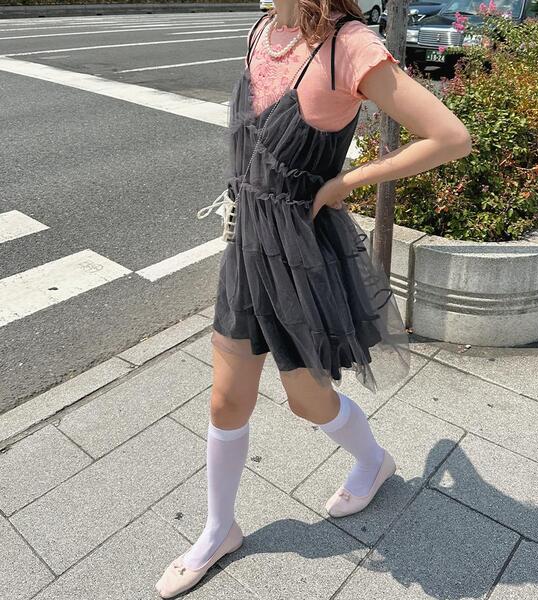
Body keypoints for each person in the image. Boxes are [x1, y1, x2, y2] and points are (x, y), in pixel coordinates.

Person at [156, 1, 471, 597]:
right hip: (248, 243)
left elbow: (451, 137)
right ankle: (219, 529)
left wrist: (345, 182)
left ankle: (373, 461)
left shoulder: (347, 46)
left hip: (299, 253)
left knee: (307, 401)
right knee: (226, 400)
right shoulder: (263, 29)